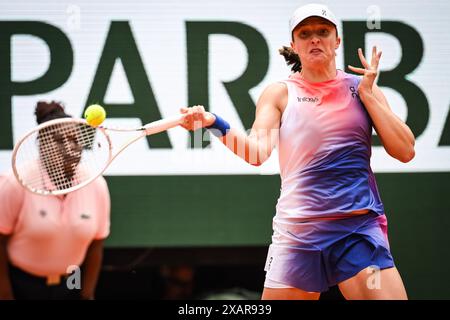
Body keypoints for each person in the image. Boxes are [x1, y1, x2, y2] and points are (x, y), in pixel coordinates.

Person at [179, 3, 414, 300]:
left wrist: (369, 95)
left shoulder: (361, 88)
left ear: (337, 40)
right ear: (295, 44)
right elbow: (256, 152)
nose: (314, 39)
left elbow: (405, 151)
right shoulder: (279, 93)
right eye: (305, 34)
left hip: (357, 230)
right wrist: (214, 122)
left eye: (322, 32)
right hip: (298, 235)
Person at [0, 101, 111, 300]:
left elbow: (96, 245)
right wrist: (5, 294)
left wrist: (87, 295)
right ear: (42, 144)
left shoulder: (97, 185)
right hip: (23, 284)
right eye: (60, 140)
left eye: (75, 140)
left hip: (71, 280)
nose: (69, 147)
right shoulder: (14, 183)